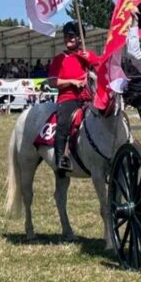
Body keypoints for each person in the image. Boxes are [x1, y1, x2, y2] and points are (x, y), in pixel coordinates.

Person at [47, 21, 100, 173]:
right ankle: (60, 159)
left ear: (79, 38)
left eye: (71, 36)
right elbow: (52, 82)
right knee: (64, 122)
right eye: (66, 36)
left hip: (89, 98)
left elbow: (101, 69)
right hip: (68, 98)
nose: (67, 39)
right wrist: (71, 82)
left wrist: (90, 59)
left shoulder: (88, 55)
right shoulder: (59, 59)